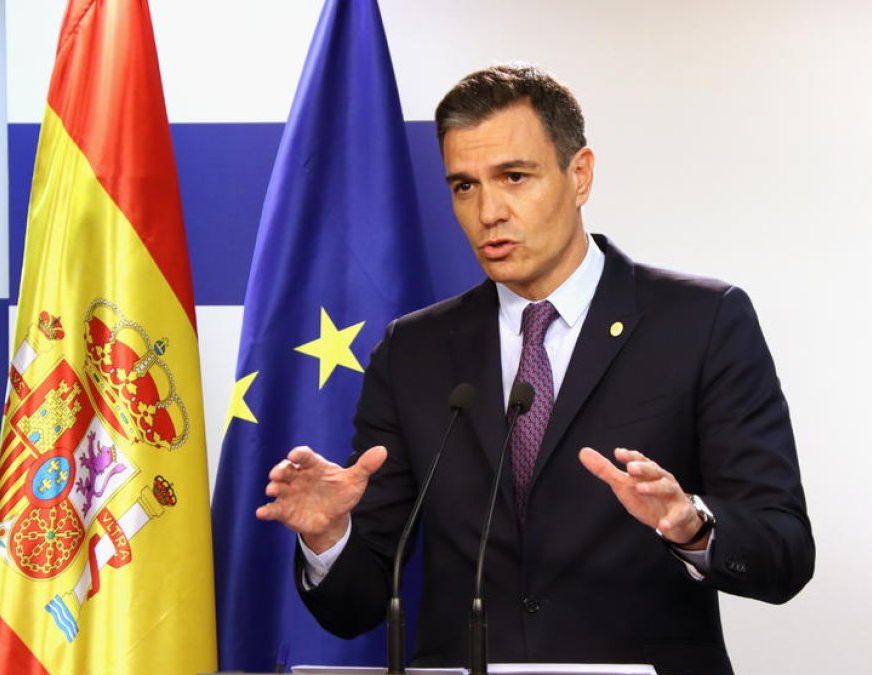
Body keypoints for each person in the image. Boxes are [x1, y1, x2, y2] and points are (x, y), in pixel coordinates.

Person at [255, 64, 814, 675]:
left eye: (514, 177)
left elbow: (782, 552)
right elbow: (357, 605)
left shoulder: (701, 322)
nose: (488, 211)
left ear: (580, 175)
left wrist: (692, 526)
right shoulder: (413, 349)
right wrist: (328, 539)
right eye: (464, 186)